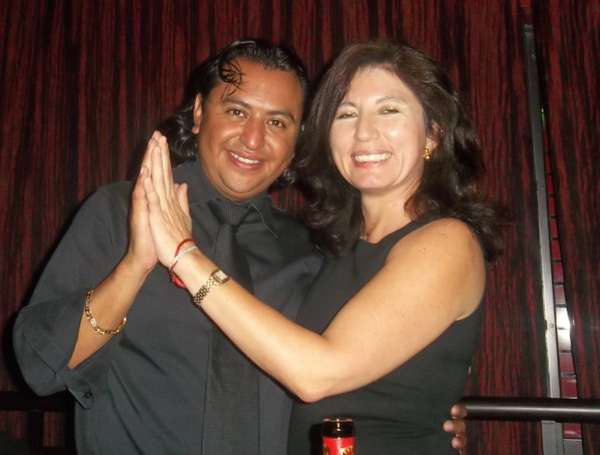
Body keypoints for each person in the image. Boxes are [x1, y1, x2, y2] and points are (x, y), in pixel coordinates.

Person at [13, 39, 466, 454]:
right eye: (236, 111)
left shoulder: (311, 247)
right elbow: (40, 367)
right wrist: (135, 264)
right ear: (198, 112)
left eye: (277, 122)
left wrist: (425, 418)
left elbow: (342, 359)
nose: (253, 139)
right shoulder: (121, 211)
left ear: (297, 141)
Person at [140, 41, 499, 454]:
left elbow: (317, 374)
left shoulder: (448, 242)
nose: (364, 132)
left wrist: (184, 255)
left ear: (433, 132)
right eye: (346, 114)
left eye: (389, 110)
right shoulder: (328, 251)